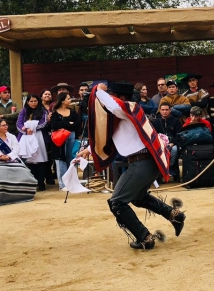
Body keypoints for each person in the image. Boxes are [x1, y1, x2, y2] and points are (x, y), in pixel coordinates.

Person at [79, 81, 185, 250]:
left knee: (117, 202)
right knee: (137, 197)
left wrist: (98, 90)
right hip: (143, 163)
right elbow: (115, 139)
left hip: (142, 162)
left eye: (112, 95)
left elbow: (113, 106)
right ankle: (173, 214)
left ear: (121, 97)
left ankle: (145, 238)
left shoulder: (128, 107)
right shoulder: (122, 116)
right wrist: (88, 150)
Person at [0, 118, 37, 206]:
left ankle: (24, 193)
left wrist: (9, 156)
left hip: (10, 158)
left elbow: (16, 149)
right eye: (3, 125)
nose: (6, 127)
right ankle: (1, 194)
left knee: (23, 171)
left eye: (6, 125)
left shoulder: (11, 137)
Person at [17, 94, 50, 190]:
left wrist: (32, 127)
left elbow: (43, 123)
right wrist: (26, 130)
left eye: (35, 101)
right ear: (27, 102)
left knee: (40, 160)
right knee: (29, 160)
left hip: (39, 136)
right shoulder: (24, 111)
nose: (33, 103)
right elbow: (19, 124)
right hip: (26, 136)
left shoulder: (43, 111)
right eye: (31, 101)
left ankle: (41, 182)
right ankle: (33, 182)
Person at [51, 92, 80, 190]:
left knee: (71, 158)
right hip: (60, 137)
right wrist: (68, 123)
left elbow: (77, 124)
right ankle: (63, 184)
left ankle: (72, 182)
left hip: (71, 136)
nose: (70, 100)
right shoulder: (55, 113)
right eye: (68, 98)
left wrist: (63, 124)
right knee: (60, 159)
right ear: (62, 100)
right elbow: (54, 125)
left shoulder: (72, 111)